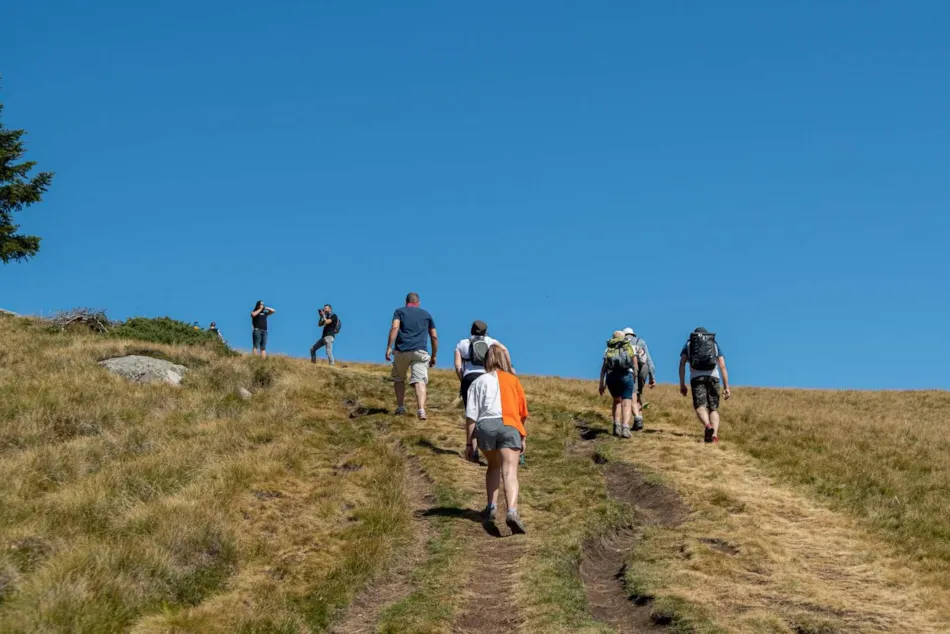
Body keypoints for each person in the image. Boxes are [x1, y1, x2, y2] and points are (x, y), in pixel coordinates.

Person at [465, 345, 528, 534]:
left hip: (485, 426)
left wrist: (470, 443)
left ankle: (491, 507)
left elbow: (471, 416)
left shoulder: (478, 381)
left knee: (493, 466)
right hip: (510, 425)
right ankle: (512, 511)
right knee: (510, 472)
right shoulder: (513, 380)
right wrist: (522, 437)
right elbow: (522, 412)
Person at [386, 292, 438, 420]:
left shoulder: (399, 311)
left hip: (402, 350)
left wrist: (389, 347)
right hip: (420, 351)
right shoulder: (427, 315)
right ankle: (421, 410)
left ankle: (400, 407)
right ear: (418, 303)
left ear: (406, 302)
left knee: (399, 378)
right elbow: (434, 336)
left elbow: (394, 328)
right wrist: (434, 356)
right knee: (420, 381)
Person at [679, 327, 731, 443]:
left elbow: (682, 364)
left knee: (700, 406)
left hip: (697, 377)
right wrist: (727, 387)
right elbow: (722, 365)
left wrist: (682, 384)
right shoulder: (713, 343)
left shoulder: (689, 344)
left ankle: (708, 427)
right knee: (713, 408)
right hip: (713, 377)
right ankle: (715, 436)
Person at [599, 330, 639, 438]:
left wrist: (601, 384)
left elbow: (603, 369)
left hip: (611, 377)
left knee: (617, 401)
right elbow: (635, 365)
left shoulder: (608, 349)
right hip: (626, 376)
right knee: (626, 402)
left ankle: (616, 426)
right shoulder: (630, 347)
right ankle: (625, 428)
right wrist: (634, 377)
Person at [622, 327, 656, 431]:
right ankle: (639, 423)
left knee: (632, 395)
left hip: (632, 370)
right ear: (633, 334)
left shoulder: (622, 342)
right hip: (644, 369)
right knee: (638, 394)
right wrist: (652, 377)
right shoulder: (640, 341)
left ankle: (638, 419)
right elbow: (649, 359)